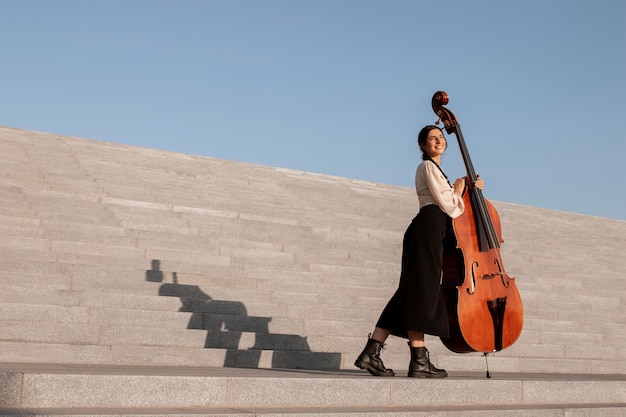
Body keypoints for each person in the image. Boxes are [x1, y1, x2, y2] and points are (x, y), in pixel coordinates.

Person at [354, 124, 484, 378]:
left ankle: (373, 352)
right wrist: (459, 190)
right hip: (428, 228)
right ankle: (418, 360)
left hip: (430, 231)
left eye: (440, 137)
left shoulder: (437, 170)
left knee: (410, 292)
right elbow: (449, 204)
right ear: (422, 146)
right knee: (420, 293)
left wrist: (469, 187)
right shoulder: (427, 167)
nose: (438, 141)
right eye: (431, 138)